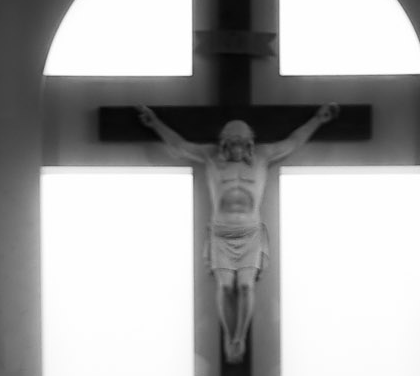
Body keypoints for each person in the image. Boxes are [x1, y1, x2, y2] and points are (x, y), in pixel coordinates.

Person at [137, 105, 338, 361]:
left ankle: (240, 336)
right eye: (232, 142)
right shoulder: (211, 158)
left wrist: (318, 120)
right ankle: (227, 335)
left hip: (250, 232)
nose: (237, 147)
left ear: (250, 143)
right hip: (221, 231)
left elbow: (293, 143)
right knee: (224, 286)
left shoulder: (263, 157)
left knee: (244, 286)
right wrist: (154, 122)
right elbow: (180, 146)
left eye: (242, 142)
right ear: (224, 143)